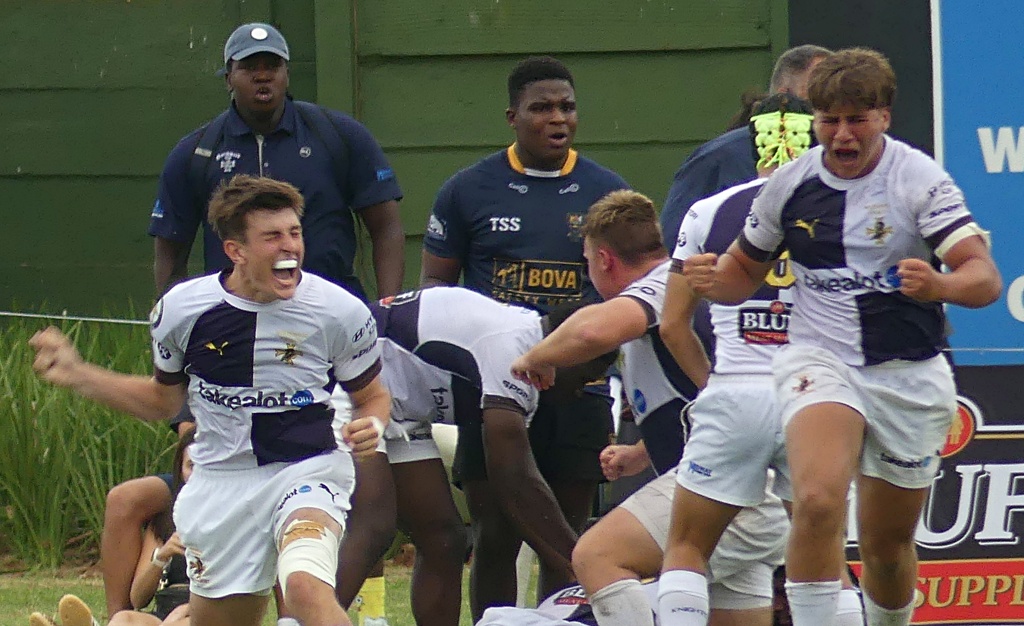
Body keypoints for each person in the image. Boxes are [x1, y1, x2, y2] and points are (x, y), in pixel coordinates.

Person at [680, 48, 1001, 626]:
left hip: (907, 372)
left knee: (886, 548)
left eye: (858, 118)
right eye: (830, 120)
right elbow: (738, 278)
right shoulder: (788, 186)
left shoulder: (918, 179)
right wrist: (708, 280)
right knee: (820, 498)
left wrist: (938, 285)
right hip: (817, 358)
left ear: (883, 116)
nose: (843, 134)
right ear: (815, 119)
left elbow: (984, 279)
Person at [104, 22, 405, 623]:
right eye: (250, 66)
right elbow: (169, 248)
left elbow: (385, 224)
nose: (263, 75)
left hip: (315, 427)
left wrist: (384, 317)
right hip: (228, 457)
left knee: (306, 583)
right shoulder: (196, 153)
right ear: (230, 76)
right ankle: (133, 616)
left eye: (274, 64)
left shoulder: (336, 137)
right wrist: (163, 342)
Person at [30, 175, 392, 626]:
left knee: (303, 585)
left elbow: (373, 396)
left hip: (308, 469)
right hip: (221, 485)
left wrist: (373, 426)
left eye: (295, 233)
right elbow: (163, 401)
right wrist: (80, 375)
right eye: (272, 236)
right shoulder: (183, 309)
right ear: (236, 251)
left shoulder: (339, 310)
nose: (290, 247)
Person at [509, 190, 788, 626]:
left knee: (598, 555)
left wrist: (534, 357)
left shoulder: (661, 283)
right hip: (748, 483)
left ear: (602, 259)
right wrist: (640, 453)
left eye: (586, 262)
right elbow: (699, 400)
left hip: (731, 484)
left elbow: (591, 331)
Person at [420, 55, 629, 614]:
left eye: (567, 107)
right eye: (541, 108)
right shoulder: (467, 191)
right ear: (513, 116)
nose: (557, 118)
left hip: (577, 388)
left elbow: (630, 293)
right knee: (496, 532)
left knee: (568, 532)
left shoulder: (606, 191)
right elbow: (435, 291)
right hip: (494, 390)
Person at [655, 93, 863, 626]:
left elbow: (672, 323)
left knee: (686, 547)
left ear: (755, 143)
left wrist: (711, 385)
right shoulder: (853, 211)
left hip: (739, 390)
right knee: (827, 557)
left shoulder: (709, 210)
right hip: (816, 397)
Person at [362, 286, 618, 623]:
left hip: (402, 406)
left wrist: (574, 562)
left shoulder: (530, 350)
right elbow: (513, 478)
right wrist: (581, 565)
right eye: (584, 377)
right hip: (355, 383)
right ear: (569, 352)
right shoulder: (511, 347)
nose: (579, 391)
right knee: (370, 528)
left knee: (444, 538)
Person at [659, 44, 832, 251]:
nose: (830, 110)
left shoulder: (846, 157)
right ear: (783, 96)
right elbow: (676, 243)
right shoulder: (720, 158)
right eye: (818, 99)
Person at [31, 433, 198, 626]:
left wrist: (185, 611)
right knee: (123, 618)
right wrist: (161, 556)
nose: (196, 474)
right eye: (191, 466)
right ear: (180, 470)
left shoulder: (228, 523)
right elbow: (138, 598)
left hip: (204, 613)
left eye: (204, 465)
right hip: (163, 614)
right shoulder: (164, 522)